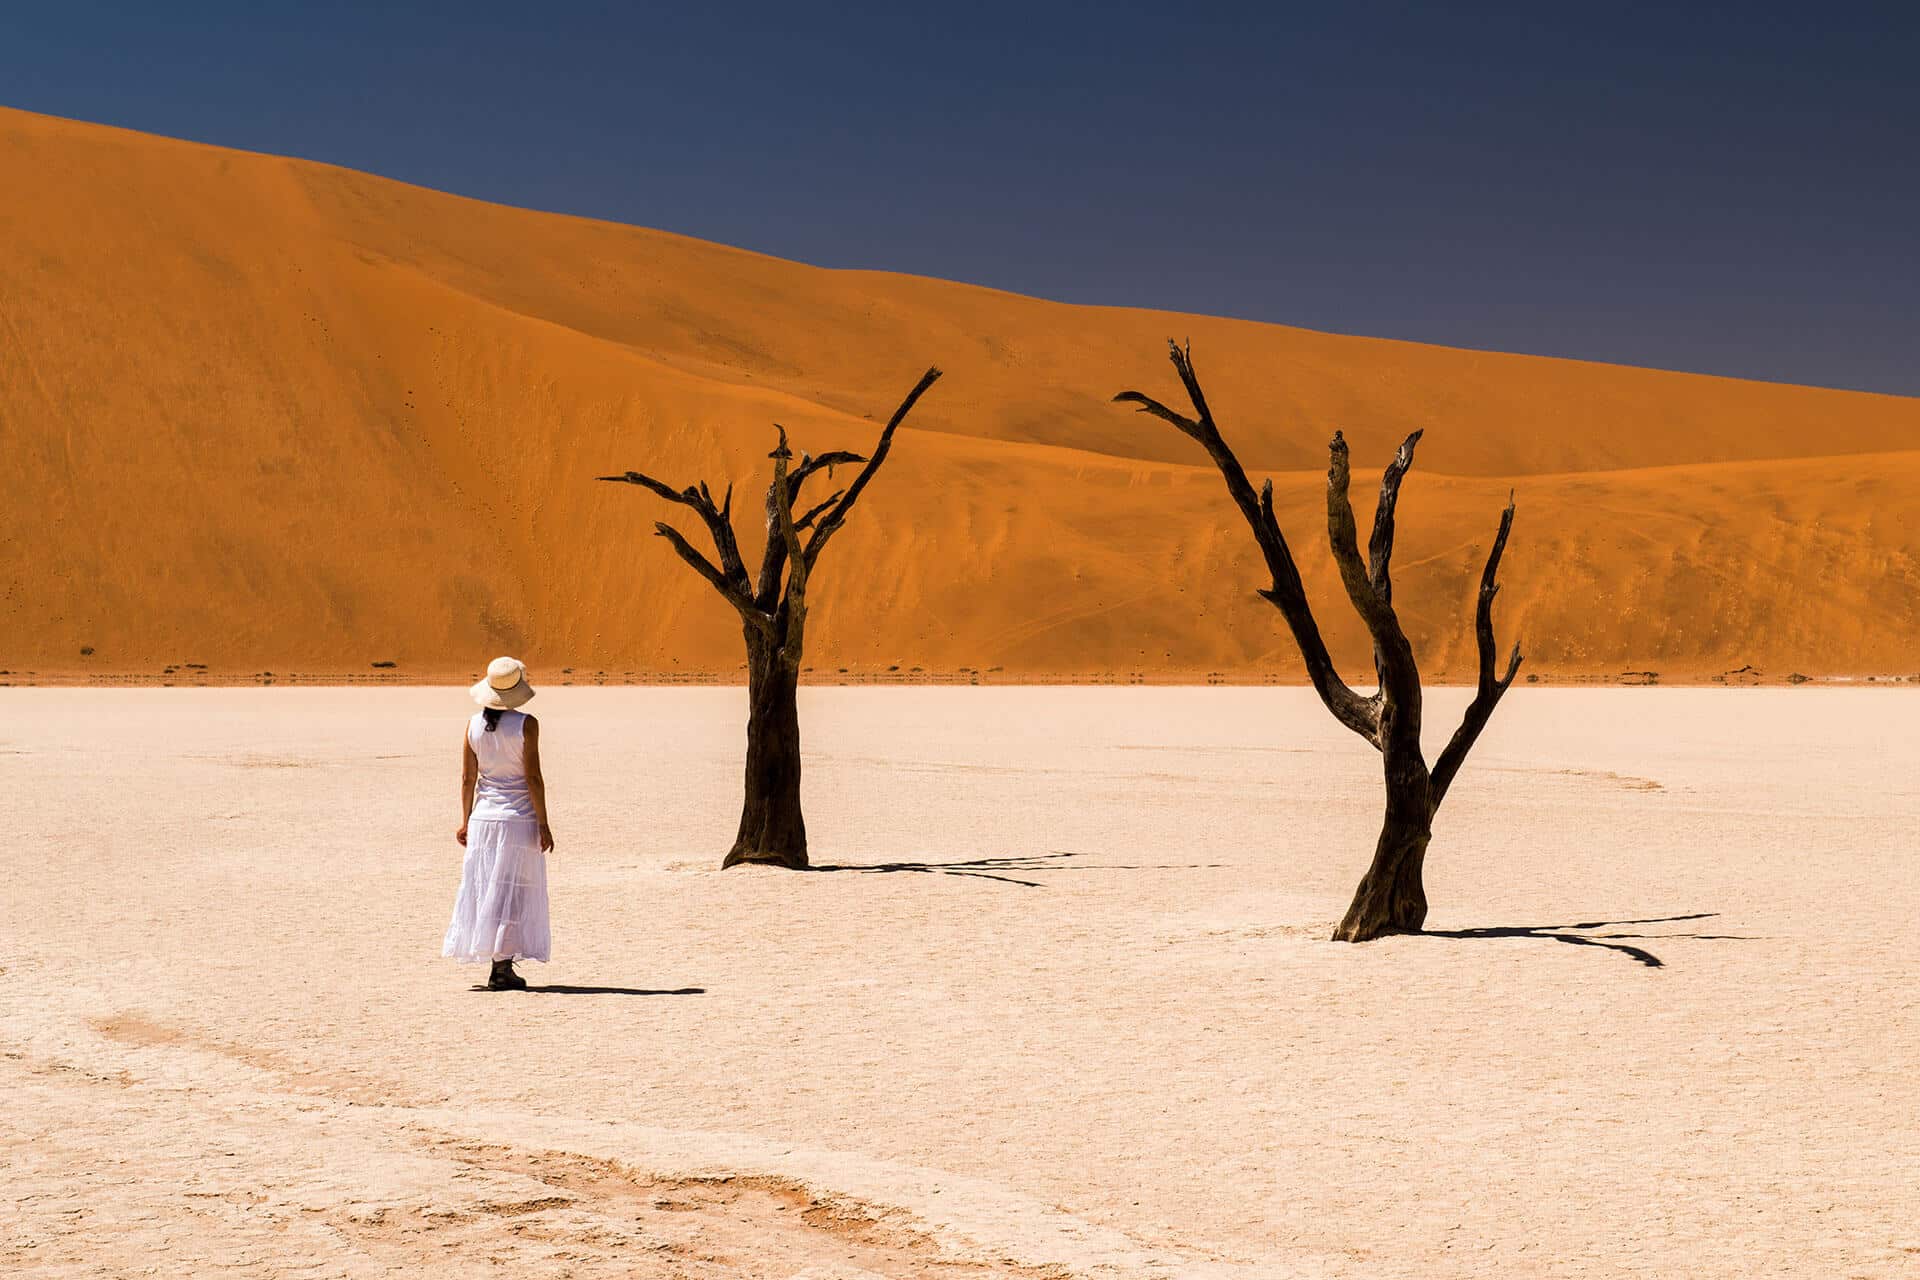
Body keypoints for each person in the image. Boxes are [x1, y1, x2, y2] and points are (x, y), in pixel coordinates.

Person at [443, 656, 555, 990]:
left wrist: (465, 821)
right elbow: (533, 777)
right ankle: (501, 966)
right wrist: (544, 823)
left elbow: (468, 778)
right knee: (513, 894)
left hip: (484, 821)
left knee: (487, 888)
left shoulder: (472, 724)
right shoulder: (526, 724)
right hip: (518, 820)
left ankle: (498, 963)